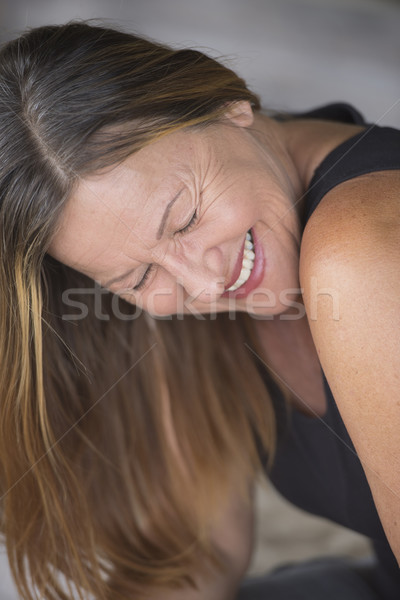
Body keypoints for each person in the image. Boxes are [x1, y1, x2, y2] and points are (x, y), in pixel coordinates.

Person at [0, 20, 399, 600]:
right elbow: (203, 556)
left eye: (184, 217)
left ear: (227, 104)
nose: (205, 283)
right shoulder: (174, 308)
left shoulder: (361, 247)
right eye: (138, 275)